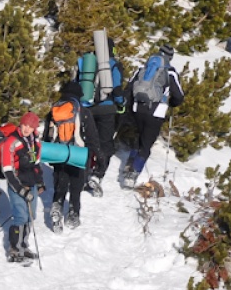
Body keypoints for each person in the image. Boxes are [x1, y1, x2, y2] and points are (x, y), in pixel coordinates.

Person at [119, 48, 183, 189]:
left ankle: (129, 166)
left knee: (138, 139)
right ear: (169, 57)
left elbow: (128, 89)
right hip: (156, 112)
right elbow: (179, 96)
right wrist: (171, 103)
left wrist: (129, 109)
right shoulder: (170, 72)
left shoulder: (142, 68)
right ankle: (133, 174)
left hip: (137, 109)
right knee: (146, 145)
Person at [43, 80, 97, 231]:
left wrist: (51, 156)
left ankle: (56, 206)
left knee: (60, 182)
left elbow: (47, 136)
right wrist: (97, 155)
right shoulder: (83, 112)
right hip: (78, 154)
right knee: (76, 184)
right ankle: (73, 214)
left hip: (59, 152)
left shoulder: (54, 110)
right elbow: (93, 137)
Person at [77, 37, 123, 197]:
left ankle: (83, 175)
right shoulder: (113, 64)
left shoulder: (86, 61)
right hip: (106, 110)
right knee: (106, 145)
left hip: (86, 109)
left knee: (87, 142)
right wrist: (121, 104)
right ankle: (97, 174)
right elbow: (117, 89)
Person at [0, 112, 42, 263]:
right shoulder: (11, 142)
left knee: (30, 216)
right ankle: (14, 250)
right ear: (20, 124)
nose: (27, 128)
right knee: (20, 216)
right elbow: (7, 169)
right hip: (16, 184)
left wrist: (40, 182)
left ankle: (24, 246)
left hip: (31, 183)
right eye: (25, 124)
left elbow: (36, 164)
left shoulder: (35, 141)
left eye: (30, 126)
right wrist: (20, 189)